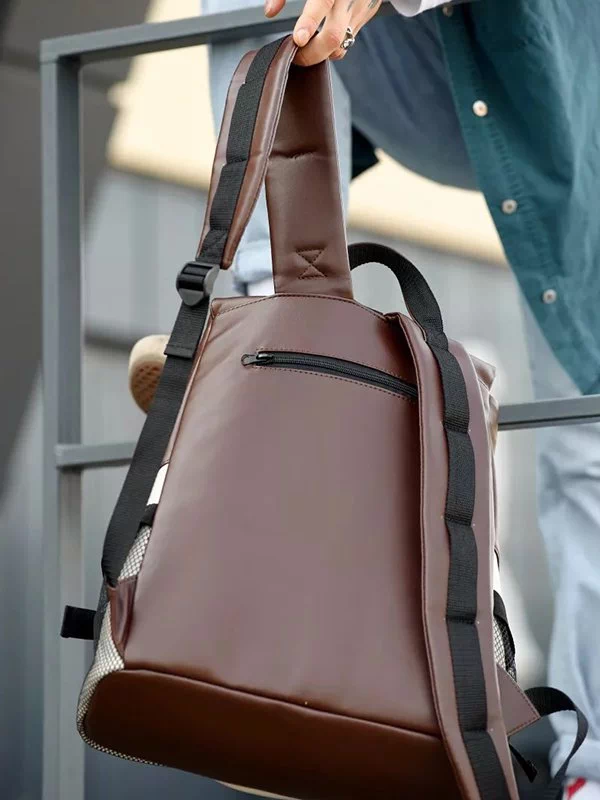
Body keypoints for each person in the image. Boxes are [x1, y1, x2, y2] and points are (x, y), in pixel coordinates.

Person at [128, 1, 600, 796]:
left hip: (566, 81)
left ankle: (590, 772)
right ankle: (279, 321)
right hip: (416, 59)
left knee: (586, 439)